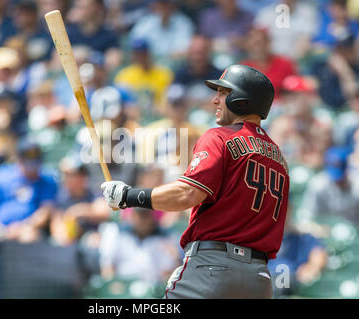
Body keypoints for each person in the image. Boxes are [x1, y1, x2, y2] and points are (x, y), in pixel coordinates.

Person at [101, 64, 290, 299]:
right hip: (258, 279)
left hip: (213, 268)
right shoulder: (279, 158)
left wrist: (128, 196)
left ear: (243, 100)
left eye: (223, 93)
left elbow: (187, 194)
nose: (215, 100)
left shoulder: (219, 136)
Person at [0, 140, 58, 242]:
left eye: (36, 164)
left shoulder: (46, 180)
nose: (33, 169)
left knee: (30, 236)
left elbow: (46, 211)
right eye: (29, 164)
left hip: (28, 228)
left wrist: (25, 226)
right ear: (19, 160)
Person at [99, 207, 179, 284]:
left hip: (152, 289)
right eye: (140, 214)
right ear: (132, 215)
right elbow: (107, 269)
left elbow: (170, 272)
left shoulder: (165, 237)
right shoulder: (116, 231)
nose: (143, 219)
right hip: (123, 286)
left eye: (146, 214)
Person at [298, 146, 359, 224]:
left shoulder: (356, 185)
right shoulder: (318, 185)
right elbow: (306, 216)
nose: (338, 180)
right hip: (324, 230)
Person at [129, 0, 194, 62]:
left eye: (166, 4)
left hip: (174, 65)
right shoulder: (146, 23)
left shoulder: (183, 23)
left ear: (173, 5)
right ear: (155, 5)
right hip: (150, 65)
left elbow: (185, 50)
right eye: (161, 4)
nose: (164, 8)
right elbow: (134, 44)